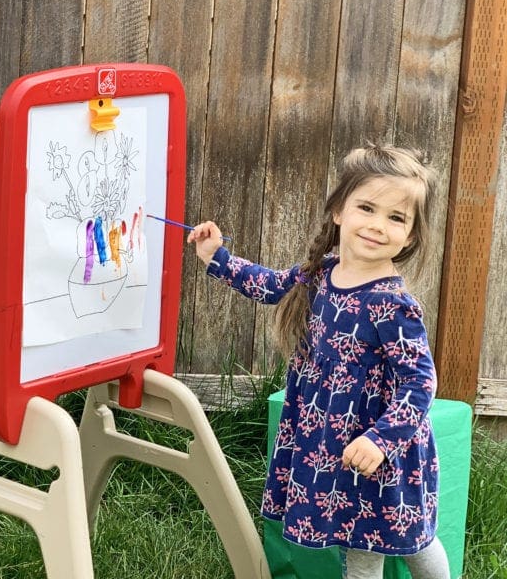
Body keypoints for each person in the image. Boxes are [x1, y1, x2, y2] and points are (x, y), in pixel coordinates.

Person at [187, 144, 450, 579]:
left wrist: (380, 441)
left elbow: (419, 383)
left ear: (412, 236)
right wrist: (218, 257)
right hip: (330, 437)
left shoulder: (392, 304)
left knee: (392, 540)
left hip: (375, 446)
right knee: (372, 535)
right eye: (366, 207)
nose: (377, 225)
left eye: (396, 217)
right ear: (338, 212)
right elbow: (271, 285)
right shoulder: (322, 272)